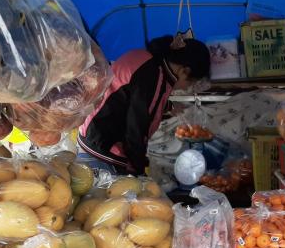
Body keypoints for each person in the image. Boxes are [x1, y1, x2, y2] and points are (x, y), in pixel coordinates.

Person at [78, 35, 210, 175]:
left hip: (91, 136)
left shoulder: (149, 60)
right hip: (104, 148)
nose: (185, 88)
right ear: (184, 71)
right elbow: (136, 129)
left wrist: (169, 106)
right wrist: (138, 171)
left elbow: (130, 98)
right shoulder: (153, 75)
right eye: (190, 83)